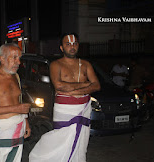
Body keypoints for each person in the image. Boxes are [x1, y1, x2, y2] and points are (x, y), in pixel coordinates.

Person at [29, 33, 101, 162]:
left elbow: (96, 86)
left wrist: (75, 89)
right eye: (68, 44)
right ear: (62, 48)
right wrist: (85, 84)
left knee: (80, 144)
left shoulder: (85, 64)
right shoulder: (56, 65)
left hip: (83, 108)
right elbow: (59, 86)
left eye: (75, 44)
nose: (72, 47)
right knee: (60, 139)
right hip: (64, 109)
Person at [0, 43, 31, 162]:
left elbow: (18, 101)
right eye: (14, 58)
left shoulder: (16, 77)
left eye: (19, 58)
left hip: (18, 127)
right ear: (2, 59)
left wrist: (26, 121)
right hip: (0, 131)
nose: (18, 62)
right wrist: (16, 109)